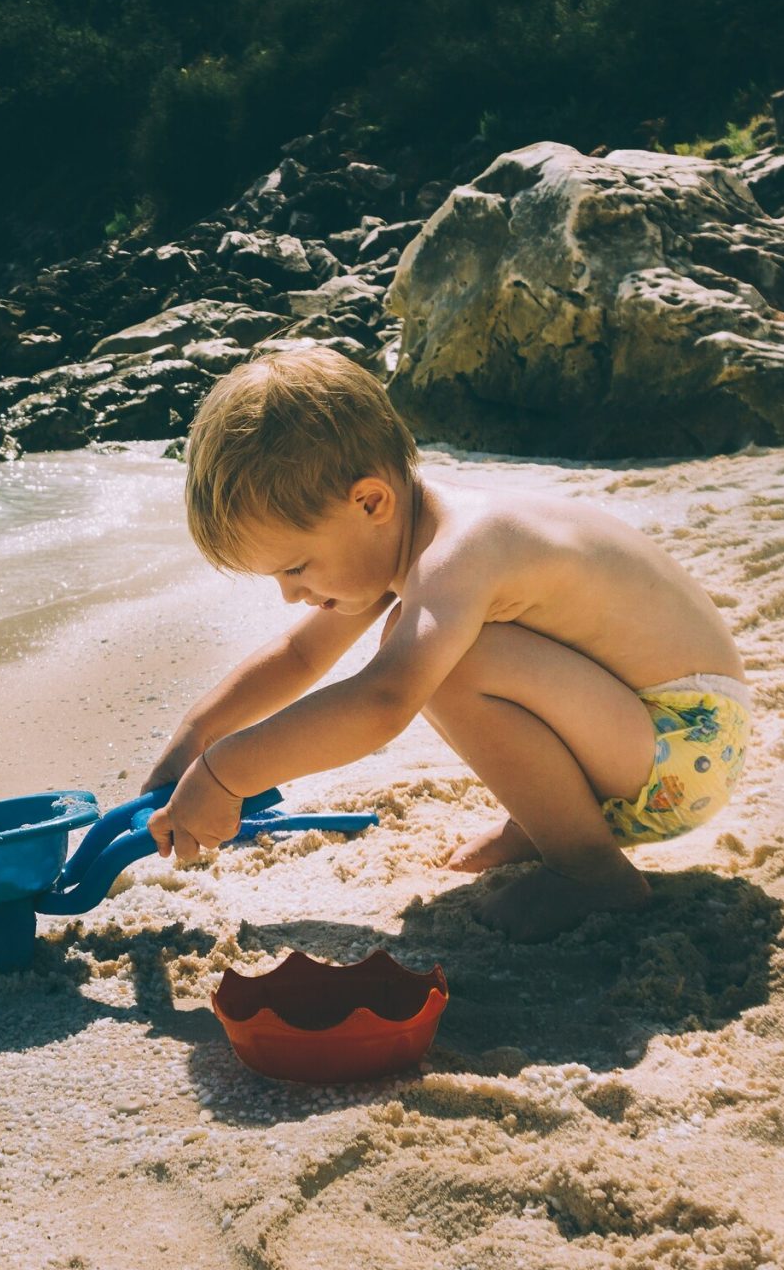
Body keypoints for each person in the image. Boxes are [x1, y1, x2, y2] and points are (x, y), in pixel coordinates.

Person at [140, 346, 751, 942]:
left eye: (296, 567)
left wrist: (227, 775)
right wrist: (198, 736)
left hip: (685, 745)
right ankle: (546, 827)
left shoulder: (461, 550)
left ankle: (590, 870)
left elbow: (385, 702)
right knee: (434, 643)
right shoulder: (398, 540)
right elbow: (301, 656)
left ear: (370, 501)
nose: (289, 594)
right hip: (639, 741)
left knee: (448, 662)